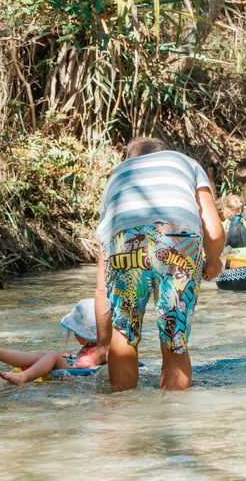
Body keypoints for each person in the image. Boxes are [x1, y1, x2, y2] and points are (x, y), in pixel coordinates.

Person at [94, 136, 225, 392]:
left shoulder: (117, 175)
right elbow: (213, 228)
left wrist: (102, 343)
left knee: (124, 333)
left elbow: (102, 279)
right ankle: (174, 411)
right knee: (174, 335)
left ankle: (121, 407)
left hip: (124, 242)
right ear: (163, 153)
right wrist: (213, 262)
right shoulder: (185, 163)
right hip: (178, 238)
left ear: (131, 159)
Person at [0, 298, 100, 385]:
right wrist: (71, 357)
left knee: (53, 355)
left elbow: (95, 364)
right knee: (43, 356)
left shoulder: (103, 349)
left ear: (85, 334)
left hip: (79, 376)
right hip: (76, 371)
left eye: (75, 332)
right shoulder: (90, 346)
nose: (74, 334)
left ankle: (23, 377)